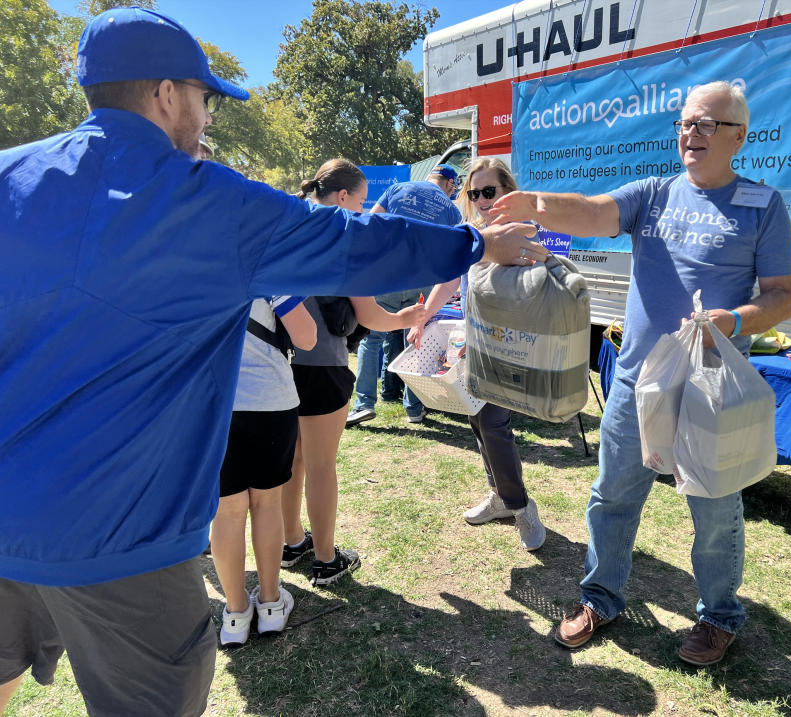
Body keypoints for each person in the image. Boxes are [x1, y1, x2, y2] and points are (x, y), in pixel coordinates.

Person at [0, 8, 546, 715]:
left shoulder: (10, 175)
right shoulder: (200, 198)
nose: (206, 117)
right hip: (121, 536)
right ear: (166, 95)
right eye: (204, 98)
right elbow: (355, 245)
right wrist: (472, 244)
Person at [491, 81, 791, 665]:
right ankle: (600, 599)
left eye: (706, 125)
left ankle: (719, 616)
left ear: (738, 136)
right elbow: (593, 211)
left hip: (709, 388)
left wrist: (732, 320)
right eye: (685, 123)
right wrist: (533, 201)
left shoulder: (763, 205)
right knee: (612, 496)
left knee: (713, 508)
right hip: (637, 382)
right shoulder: (654, 194)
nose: (691, 134)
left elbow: (785, 296)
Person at [280, 159, 426, 586]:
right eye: (361, 202)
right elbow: (371, 315)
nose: (363, 212)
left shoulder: (289, 228)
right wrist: (408, 317)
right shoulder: (343, 241)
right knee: (322, 465)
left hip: (281, 366)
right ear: (342, 197)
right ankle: (326, 559)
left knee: (294, 461)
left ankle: (292, 543)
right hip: (323, 365)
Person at [408, 157, 547, 552]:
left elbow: (530, 293)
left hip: (505, 345)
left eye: (490, 191)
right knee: (476, 420)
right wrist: (424, 316)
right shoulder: (472, 234)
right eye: (475, 193)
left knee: (493, 424)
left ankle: (519, 505)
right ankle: (501, 495)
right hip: (470, 344)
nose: (483, 199)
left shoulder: (523, 232)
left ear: (507, 190)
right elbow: (450, 277)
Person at [212, 296, 316, 646]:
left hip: (215, 404)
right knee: (267, 504)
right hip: (270, 400)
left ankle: (236, 613)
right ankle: (270, 604)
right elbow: (307, 337)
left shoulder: (189, 263)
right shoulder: (271, 267)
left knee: (226, 512)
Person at [347, 164, 463, 426]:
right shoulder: (450, 209)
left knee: (371, 337)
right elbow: (453, 250)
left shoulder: (397, 189)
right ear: (448, 184)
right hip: (421, 280)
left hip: (387, 275)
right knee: (416, 340)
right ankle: (413, 409)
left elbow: (370, 225)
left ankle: (363, 403)